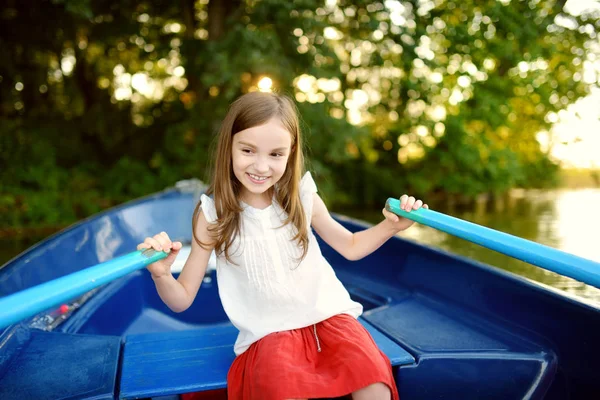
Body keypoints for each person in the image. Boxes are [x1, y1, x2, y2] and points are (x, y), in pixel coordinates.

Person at [137, 91, 428, 400]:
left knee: (373, 381)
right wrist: (162, 275)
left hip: (331, 319)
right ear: (229, 148)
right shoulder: (213, 214)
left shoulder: (302, 198)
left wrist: (390, 227)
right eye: (248, 150)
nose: (261, 166)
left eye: (275, 154)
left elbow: (352, 246)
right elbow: (181, 299)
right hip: (269, 336)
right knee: (282, 389)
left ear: (291, 153)